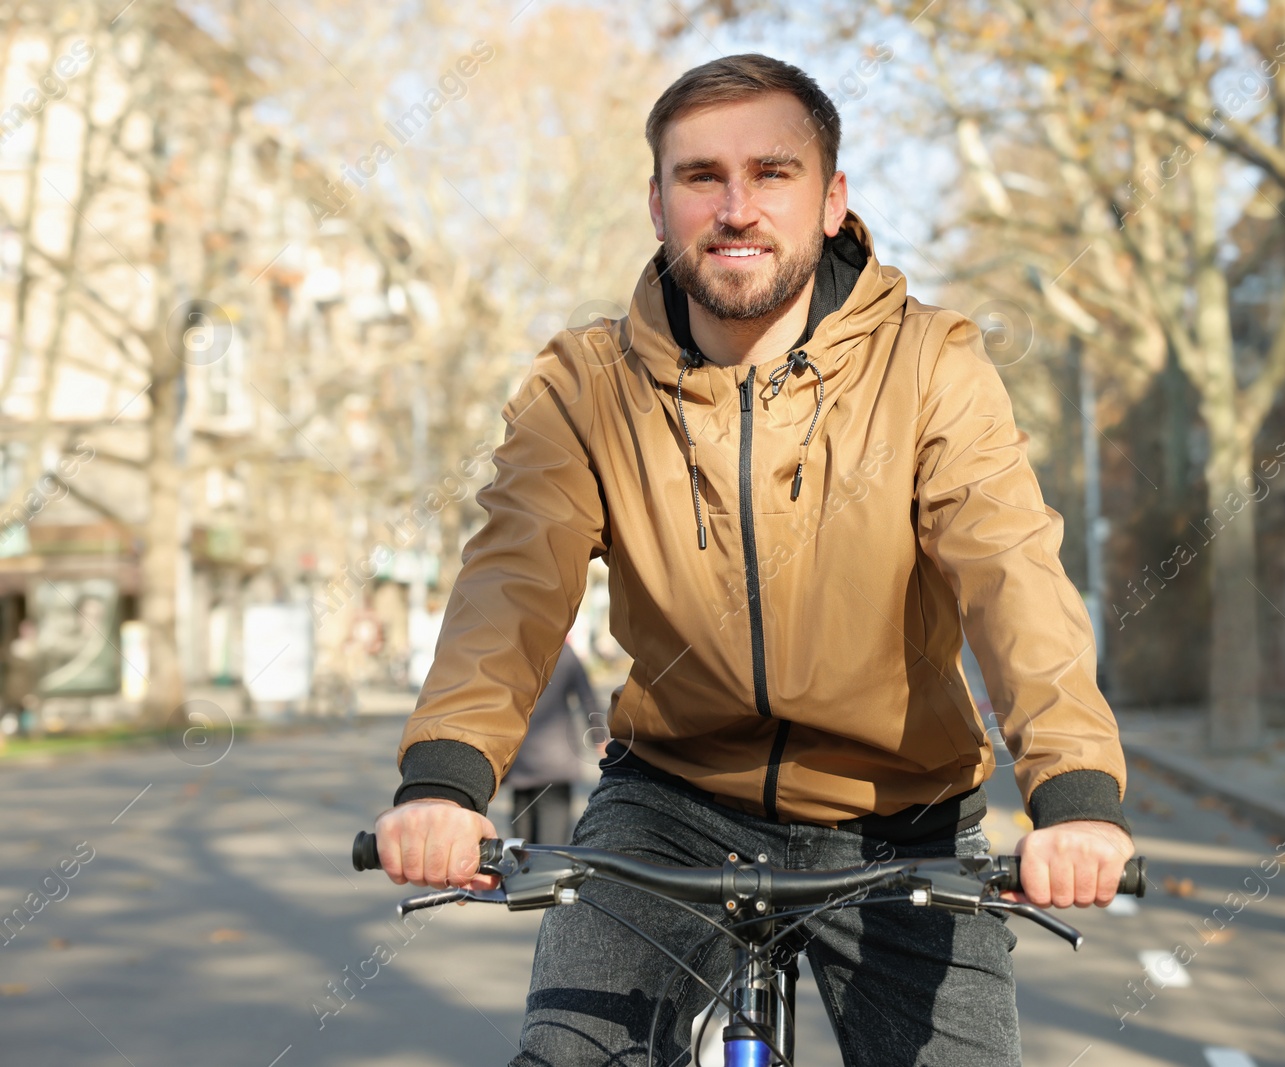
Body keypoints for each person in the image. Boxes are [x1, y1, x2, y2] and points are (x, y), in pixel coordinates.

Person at [376, 54, 1134, 1067]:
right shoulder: (583, 385)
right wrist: (442, 782)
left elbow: (1012, 576)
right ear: (657, 204)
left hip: (897, 815)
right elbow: (510, 586)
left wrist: (1074, 796)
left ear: (831, 201)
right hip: (670, 800)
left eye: (772, 173)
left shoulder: (932, 364)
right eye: (701, 177)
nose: (735, 208)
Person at [504, 639, 600, 846]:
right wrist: (600, 738)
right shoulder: (565, 653)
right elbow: (587, 698)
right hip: (556, 763)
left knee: (520, 846)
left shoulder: (513, 652)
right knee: (551, 845)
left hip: (521, 760)